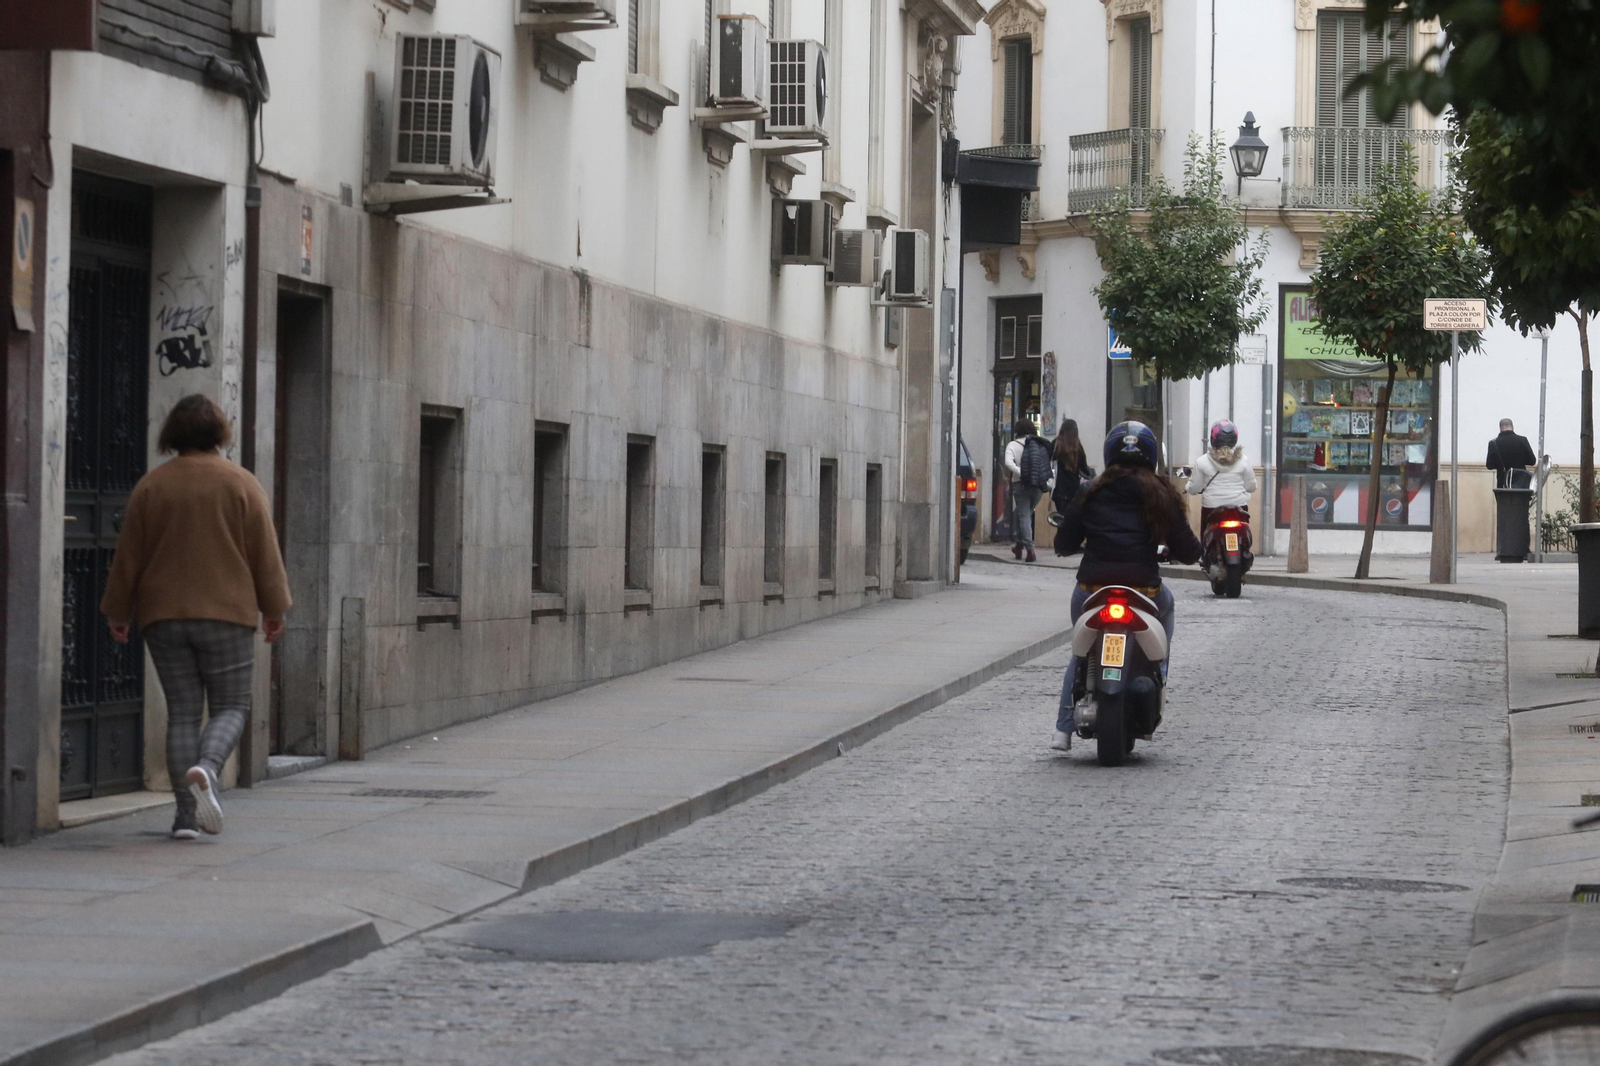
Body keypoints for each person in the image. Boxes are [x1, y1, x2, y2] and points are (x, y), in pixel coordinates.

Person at [100, 395, 291, 840]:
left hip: (163, 616)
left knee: (182, 712)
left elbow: (129, 555)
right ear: (220, 433)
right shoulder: (241, 483)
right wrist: (275, 608)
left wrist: (118, 612)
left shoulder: (152, 486)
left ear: (172, 434)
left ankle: (186, 818)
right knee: (231, 705)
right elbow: (265, 551)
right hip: (227, 612)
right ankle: (206, 769)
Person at [1050, 421, 1201, 751]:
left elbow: (1063, 542)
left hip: (1091, 589)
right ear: (1151, 457)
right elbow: (1189, 550)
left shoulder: (1089, 490)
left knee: (1081, 650)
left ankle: (1062, 729)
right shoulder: (1161, 493)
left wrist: (1077, 539)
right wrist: (1185, 551)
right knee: (1169, 608)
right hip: (1143, 591)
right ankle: (1156, 674)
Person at [1185, 420, 1257, 530]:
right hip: (1238, 507)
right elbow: (1251, 487)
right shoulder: (1244, 461)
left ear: (1213, 439)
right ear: (1235, 439)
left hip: (1211, 508)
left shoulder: (1202, 461)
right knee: (1244, 535)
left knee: (1207, 540)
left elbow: (1195, 488)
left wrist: (1187, 487)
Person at [1003, 417, 1054, 562]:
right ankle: (1019, 546)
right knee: (1026, 514)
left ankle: (1030, 550)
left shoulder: (1013, 445)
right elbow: (1046, 465)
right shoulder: (1039, 445)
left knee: (1024, 515)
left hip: (1021, 485)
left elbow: (1008, 463)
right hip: (1038, 486)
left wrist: (1022, 474)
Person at [1050, 418, 1095, 516]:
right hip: (1074, 489)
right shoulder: (1078, 447)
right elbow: (1083, 468)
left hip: (1059, 489)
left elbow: (1048, 460)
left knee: (1061, 518)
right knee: (1072, 518)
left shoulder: (1056, 444)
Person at [1486, 418, 1538, 488]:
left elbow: (1489, 465)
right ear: (1513, 428)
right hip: (1521, 483)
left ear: (1500, 428)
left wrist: (1500, 464)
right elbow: (1532, 461)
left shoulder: (1493, 443)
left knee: (1504, 499)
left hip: (1503, 484)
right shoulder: (1522, 440)